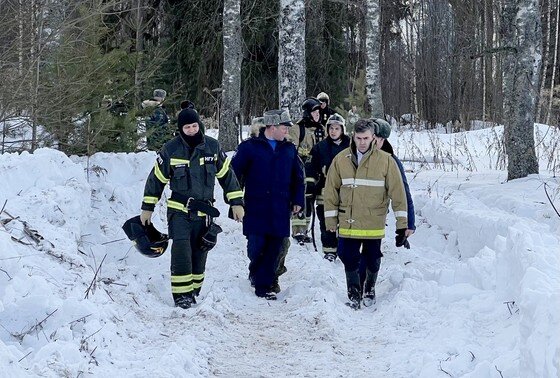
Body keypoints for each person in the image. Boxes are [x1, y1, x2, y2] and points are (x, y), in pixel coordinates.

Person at [139, 106, 245, 309]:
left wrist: (237, 203)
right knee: (181, 251)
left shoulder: (212, 148)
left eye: (194, 125)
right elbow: (156, 180)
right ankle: (182, 296)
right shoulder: (170, 149)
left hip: (204, 213)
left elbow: (227, 177)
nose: (192, 130)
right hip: (179, 212)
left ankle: (194, 290)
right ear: (181, 129)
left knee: (199, 252)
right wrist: (147, 208)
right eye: (187, 127)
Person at [323, 119, 409, 310]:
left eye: (366, 138)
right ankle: (353, 293)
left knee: (372, 257)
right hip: (348, 219)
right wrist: (330, 219)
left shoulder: (386, 161)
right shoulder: (340, 159)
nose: (362, 142)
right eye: (359, 138)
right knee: (347, 255)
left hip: (373, 220)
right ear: (353, 136)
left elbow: (398, 193)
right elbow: (330, 191)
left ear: (373, 138)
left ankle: (369, 288)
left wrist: (402, 222)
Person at [231, 109, 305, 300]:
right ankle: (258, 275)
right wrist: (234, 202)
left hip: (280, 207)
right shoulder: (249, 148)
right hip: (255, 207)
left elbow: (298, 177)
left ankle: (265, 285)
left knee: (277, 247)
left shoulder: (289, 150)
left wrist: (298, 200)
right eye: (284, 128)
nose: (287, 132)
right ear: (271, 127)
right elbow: (233, 176)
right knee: (256, 246)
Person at [358, 118, 416, 301]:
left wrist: (408, 223)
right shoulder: (356, 155)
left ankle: (369, 286)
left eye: (374, 137)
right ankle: (356, 287)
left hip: (375, 216)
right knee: (353, 253)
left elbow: (403, 194)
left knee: (371, 253)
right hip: (353, 215)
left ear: (381, 140)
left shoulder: (391, 162)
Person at [309, 113, 351, 262]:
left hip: (347, 192)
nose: (333, 131)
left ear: (342, 129)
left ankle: (346, 250)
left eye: (337, 128)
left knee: (347, 221)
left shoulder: (351, 146)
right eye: (331, 128)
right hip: (325, 192)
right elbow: (311, 169)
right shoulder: (319, 148)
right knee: (326, 222)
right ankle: (329, 251)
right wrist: (310, 188)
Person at [288, 97, 325, 244]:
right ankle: (298, 231)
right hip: (301, 170)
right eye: (314, 112)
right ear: (307, 113)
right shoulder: (297, 128)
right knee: (303, 198)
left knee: (313, 201)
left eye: (318, 112)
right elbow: (291, 150)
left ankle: (307, 229)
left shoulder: (322, 129)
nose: (317, 115)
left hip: (318, 171)